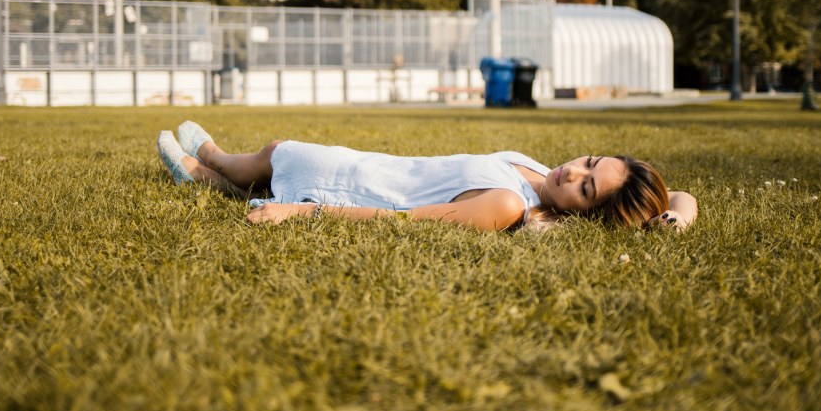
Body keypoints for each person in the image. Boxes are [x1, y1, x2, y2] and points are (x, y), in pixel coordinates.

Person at [156, 121, 698, 233]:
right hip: (369, 160)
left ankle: (213, 167)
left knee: (278, 154)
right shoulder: (532, 171)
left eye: (586, 186)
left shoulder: (508, 206)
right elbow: (679, 196)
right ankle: (221, 172)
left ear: (584, 211)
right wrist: (676, 215)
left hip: (354, 187)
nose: (573, 171)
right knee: (276, 151)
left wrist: (303, 210)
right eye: (589, 161)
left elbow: (403, 219)